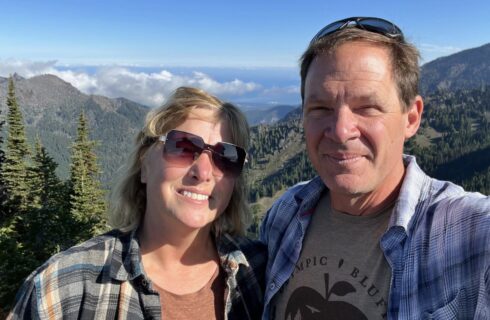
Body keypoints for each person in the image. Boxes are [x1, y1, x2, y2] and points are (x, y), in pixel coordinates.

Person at [260, 17, 489, 319]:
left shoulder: (468, 233)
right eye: (320, 109)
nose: (341, 131)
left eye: (367, 108)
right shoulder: (285, 215)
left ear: (411, 118)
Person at [9, 86, 266, 319]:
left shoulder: (262, 270)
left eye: (226, 157)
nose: (204, 172)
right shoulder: (62, 289)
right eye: (184, 147)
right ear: (145, 163)